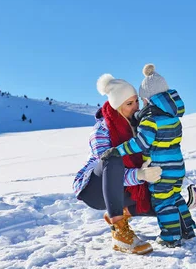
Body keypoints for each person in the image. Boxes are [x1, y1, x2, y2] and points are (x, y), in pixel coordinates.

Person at [101, 64, 196, 247]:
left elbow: (141, 143)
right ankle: (187, 229)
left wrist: (118, 150)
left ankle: (170, 237)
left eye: (141, 101)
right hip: (177, 166)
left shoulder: (151, 119)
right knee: (175, 197)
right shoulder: (173, 117)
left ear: (147, 99)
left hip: (162, 169)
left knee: (162, 203)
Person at [72, 73, 162, 255]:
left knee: (167, 204)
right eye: (129, 104)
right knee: (111, 157)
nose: (136, 107)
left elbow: (161, 157)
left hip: (125, 188)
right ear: (117, 106)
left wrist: (179, 191)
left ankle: (124, 211)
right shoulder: (102, 129)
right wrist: (139, 175)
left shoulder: (141, 128)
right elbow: (107, 166)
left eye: (136, 101)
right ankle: (120, 231)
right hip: (95, 189)